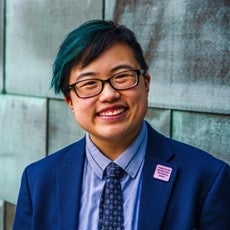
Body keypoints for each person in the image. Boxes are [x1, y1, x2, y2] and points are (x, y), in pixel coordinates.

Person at [13, 20, 230, 230]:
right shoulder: (39, 180)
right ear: (70, 101)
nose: (109, 94)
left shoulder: (207, 179)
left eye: (122, 77)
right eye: (89, 83)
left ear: (146, 84)